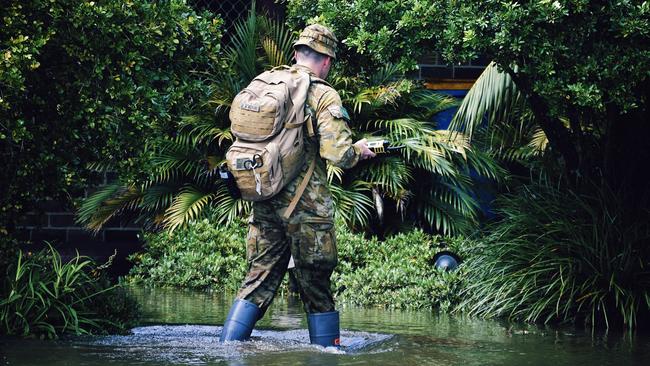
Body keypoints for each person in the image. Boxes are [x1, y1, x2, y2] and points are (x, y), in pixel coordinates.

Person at [219, 24, 375, 347]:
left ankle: (226, 349)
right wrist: (359, 150)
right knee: (317, 288)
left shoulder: (267, 86)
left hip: (264, 200)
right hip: (308, 212)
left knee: (256, 281)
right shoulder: (322, 93)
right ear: (327, 61)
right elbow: (338, 154)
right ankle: (326, 354)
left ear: (296, 54)